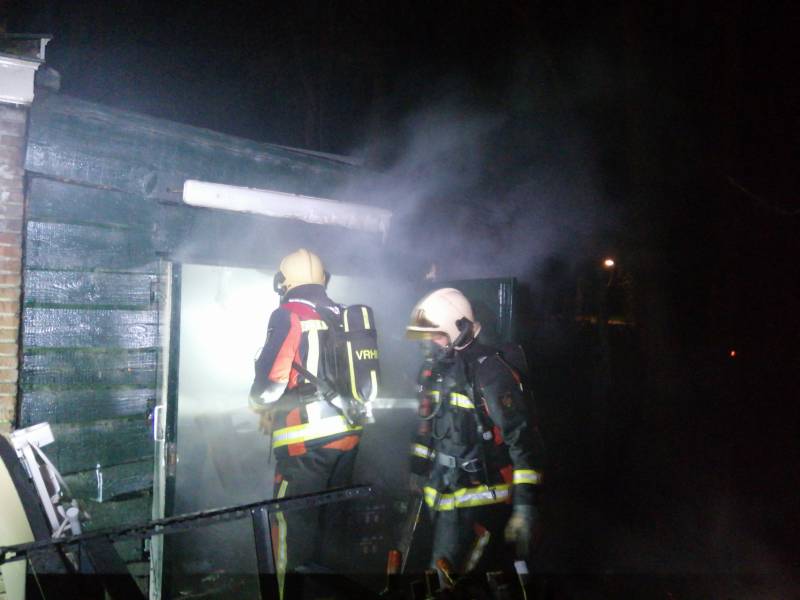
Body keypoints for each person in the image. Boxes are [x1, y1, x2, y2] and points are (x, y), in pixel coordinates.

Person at [405, 287, 545, 577]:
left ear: (461, 329)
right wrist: (417, 470)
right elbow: (427, 425)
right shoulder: (437, 370)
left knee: (449, 580)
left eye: (437, 335)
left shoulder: (490, 372)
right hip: (440, 493)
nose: (431, 343)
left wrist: (524, 506)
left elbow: (522, 440)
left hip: (479, 497)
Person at [249, 248, 363, 595]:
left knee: (287, 533)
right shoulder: (343, 315)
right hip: (347, 441)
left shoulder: (288, 314)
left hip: (305, 446)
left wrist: (260, 404)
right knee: (329, 540)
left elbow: (267, 388)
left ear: (283, 281)